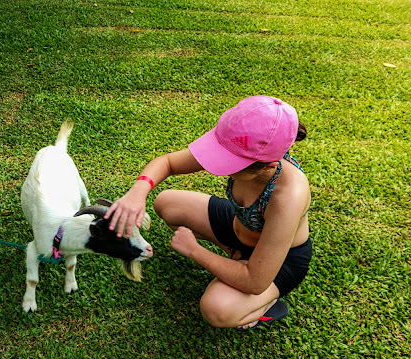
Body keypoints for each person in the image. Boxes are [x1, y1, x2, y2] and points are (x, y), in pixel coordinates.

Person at [104, 96, 312, 331]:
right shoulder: (246, 151)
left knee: (217, 309)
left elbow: (255, 280)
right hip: (238, 227)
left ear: (268, 166)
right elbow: (169, 163)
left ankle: (265, 305)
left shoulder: (288, 196)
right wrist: (139, 190)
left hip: (279, 262)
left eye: (228, 163)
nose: (218, 165)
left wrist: (194, 251)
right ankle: (233, 258)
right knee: (167, 203)